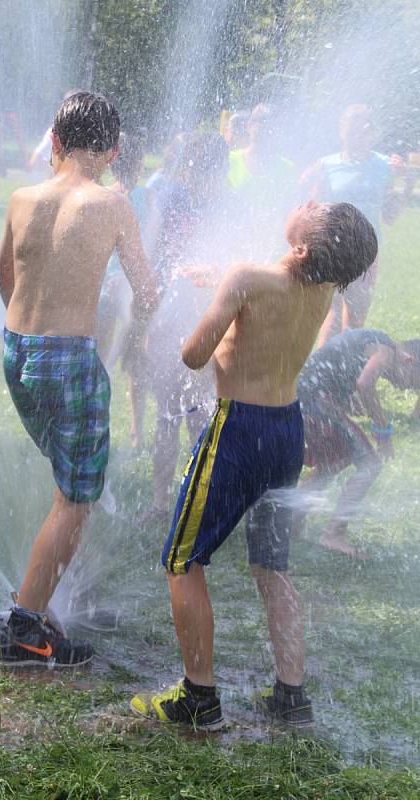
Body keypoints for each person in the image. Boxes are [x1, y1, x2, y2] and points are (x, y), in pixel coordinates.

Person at [130, 200, 378, 730]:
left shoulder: (250, 279)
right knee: (272, 567)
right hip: (288, 430)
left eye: (317, 209)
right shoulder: (322, 285)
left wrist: (208, 313)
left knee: (182, 559)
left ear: (302, 247)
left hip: (238, 430)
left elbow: (195, 355)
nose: (308, 202)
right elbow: (274, 290)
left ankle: (199, 699)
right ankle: (292, 696)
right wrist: (226, 285)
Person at [0, 92, 157, 668]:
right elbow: (147, 293)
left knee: (67, 482)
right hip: (70, 359)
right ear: (111, 152)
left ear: (53, 141)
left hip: (17, 353)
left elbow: (3, 278)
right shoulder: (113, 204)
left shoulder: (20, 196)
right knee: (76, 498)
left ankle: (42, 594)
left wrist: (32, 334)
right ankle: (26, 628)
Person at [144, 132, 230, 522]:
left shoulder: (230, 204)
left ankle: (189, 502)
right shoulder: (174, 197)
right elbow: (154, 254)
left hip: (203, 319)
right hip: (175, 316)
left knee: (196, 414)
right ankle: (165, 501)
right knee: (170, 414)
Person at [295, 329, 420, 559]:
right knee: (371, 464)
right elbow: (365, 383)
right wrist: (383, 430)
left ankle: (292, 519)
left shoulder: (380, 343)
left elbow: (340, 358)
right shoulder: (387, 351)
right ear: (410, 361)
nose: (403, 388)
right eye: (412, 383)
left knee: (332, 463)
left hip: (307, 396)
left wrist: (346, 396)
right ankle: (333, 533)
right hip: (317, 400)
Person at [301, 105, 416, 346]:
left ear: (372, 132)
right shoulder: (327, 165)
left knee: (354, 324)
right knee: (330, 318)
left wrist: (407, 182)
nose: (356, 134)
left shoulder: (385, 166)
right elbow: (311, 206)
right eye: (351, 128)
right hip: (332, 250)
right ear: (341, 131)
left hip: (366, 252)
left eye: (363, 128)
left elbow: (390, 215)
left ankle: (344, 377)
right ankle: (320, 378)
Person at [97, 134, 159, 450]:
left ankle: (98, 423)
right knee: (136, 357)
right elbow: (150, 243)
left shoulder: (103, 196)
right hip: (136, 287)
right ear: (138, 163)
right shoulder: (148, 198)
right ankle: (136, 431)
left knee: (101, 360)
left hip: (108, 287)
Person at [228, 104, 298, 261]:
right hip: (232, 244)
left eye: (269, 123)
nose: (263, 127)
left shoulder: (288, 169)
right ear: (248, 126)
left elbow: (290, 212)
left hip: (271, 251)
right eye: (259, 121)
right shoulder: (229, 160)